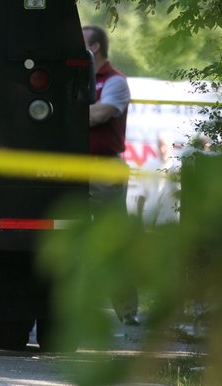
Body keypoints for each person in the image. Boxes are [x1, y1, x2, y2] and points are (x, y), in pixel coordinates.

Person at [83, 25, 140, 327]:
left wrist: (66, 113)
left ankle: (127, 311)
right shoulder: (80, 79)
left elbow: (100, 115)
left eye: (81, 43)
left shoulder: (115, 82)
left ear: (94, 48)